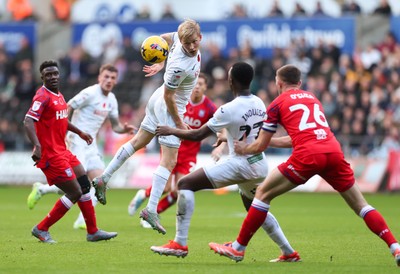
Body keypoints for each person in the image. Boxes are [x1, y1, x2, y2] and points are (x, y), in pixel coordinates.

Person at [208, 64, 400, 266]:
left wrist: (243, 149)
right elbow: (295, 138)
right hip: (333, 150)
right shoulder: (313, 98)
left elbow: (260, 145)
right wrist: (270, 142)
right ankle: (395, 246)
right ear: (299, 83)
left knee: (262, 193)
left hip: (308, 155)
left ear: (278, 82)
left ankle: (238, 248)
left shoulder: (276, 103)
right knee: (361, 205)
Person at [153, 62, 301, 262]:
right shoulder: (258, 102)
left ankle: (180, 243)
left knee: (185, 184)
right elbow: (246, 128)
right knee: (256, 209)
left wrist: (170, 130)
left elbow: (197, 135)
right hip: (259, 164)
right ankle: (288, 252)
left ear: (231, 80)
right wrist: (228, 137)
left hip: (241, 163)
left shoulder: (228, 109)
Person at [92, 19, 202, 235]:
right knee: (169, 161)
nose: (191, 46)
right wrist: (179, 124)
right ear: (183, 41)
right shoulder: (180, 64)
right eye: (186, 43)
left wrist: (161, 60)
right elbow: (170, 97)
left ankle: (103, 179)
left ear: (200, 37)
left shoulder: (180, 39)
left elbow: (164, 38)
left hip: (157, 98)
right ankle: (151, 209)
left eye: (193, 42)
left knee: (137, 142)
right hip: (169, 107)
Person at [26, 64, 135, 230]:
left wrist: (124, 130)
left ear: (116, 80)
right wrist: (66, 134)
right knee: (75, 187)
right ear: (99, 77)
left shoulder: (111, 100)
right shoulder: (90, 93)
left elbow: (115, 126)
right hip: (75, 142)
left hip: (90, 144)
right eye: (106, 76)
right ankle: (43, 195)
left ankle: (81, 221)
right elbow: (68, 107)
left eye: (112, 78)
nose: (108, 80)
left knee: (100, 184)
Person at [128, 73, 217, 227]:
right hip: (171, 146)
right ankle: (143, 194)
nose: (197, 87)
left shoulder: (209, 108)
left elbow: (219, 125)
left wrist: (221, 144)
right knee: (167, 187)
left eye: (201, 84)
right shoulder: (181, 101)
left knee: (180, 190)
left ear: (205, 88)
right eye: (196, 83)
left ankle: (151, 215)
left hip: (189, 155)